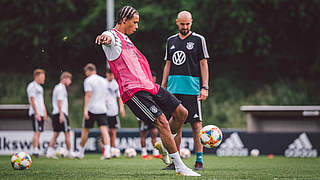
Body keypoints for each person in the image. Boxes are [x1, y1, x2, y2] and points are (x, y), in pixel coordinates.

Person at [95, 5, 200, 176]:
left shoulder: (126, 38)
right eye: (134, 22)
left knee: (182, 112)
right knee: (162, 122)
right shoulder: (113, 36)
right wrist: (103, 38)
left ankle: (165, 146)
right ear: (123, 20)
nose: (137, 26)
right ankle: (180, 167)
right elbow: (107, 37)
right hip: (134, 91)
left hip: (149, 86)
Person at [161, 11, 210, 171]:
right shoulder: (171, 41)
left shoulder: (198, 40)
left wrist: (205, 86)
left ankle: (199, 160)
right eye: (182, 24)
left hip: (192, 88)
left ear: (191, 22)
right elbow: (168, 64)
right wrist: (163, 86)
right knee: (176, 126)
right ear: (177, 23)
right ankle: (176, 161)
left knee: (196, 125)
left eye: (187, 24)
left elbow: (203, 64)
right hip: (173, 89)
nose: (185, 27)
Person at [75, 63, 111, 160]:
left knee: (85, 131)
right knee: (104, 131)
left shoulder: (88, 80)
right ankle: (107, 152)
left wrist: (85, 109)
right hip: (102, 109)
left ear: (88, 71)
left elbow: (88, 95)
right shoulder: (104, 80)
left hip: (91, 109)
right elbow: (106, 95)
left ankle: (81, 152)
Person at [46, 72, 74, 159]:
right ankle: (70, 153)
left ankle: (49, 152)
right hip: (61, 114)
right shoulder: (61, 88)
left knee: (55, 134)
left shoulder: (57, 87)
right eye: (69, 79)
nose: (70, 82)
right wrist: (62, 115)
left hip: (56, 113)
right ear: (64, 79)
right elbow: (59, 102)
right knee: (67, 134)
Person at [138, 71, 161, 160]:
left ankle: (155, 152)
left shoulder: (155, 87)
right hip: (143, 115)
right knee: (143, 134)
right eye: (152, 77)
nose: (153, 79)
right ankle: (144, 153)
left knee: (154, 133)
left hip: (153, 115)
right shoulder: (143, 87)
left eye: (154, 78)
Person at [104, 68, 125, 156]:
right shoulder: (103, 83)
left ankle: (112, 149)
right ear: (107, 74)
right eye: (110, 74)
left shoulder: (116, 84)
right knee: (104, 131)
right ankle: (106, 149)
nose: (111, 76)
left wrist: (121, 108)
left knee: (113, 131)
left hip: (113, 111)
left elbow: (119, 97)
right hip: (103, 110)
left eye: (113, 75)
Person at [26, 69, 47, 157]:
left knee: (39, 132)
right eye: (42, 77)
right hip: (36, 113)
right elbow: (32, 100)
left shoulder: (40, 87)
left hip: (41, 113)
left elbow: (41, 101)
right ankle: (35, 150)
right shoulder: (32, 86)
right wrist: (37, 113)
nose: (43, 79)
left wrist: (44, 111)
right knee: (36, 131)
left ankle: (36, 149)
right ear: (36, 77)